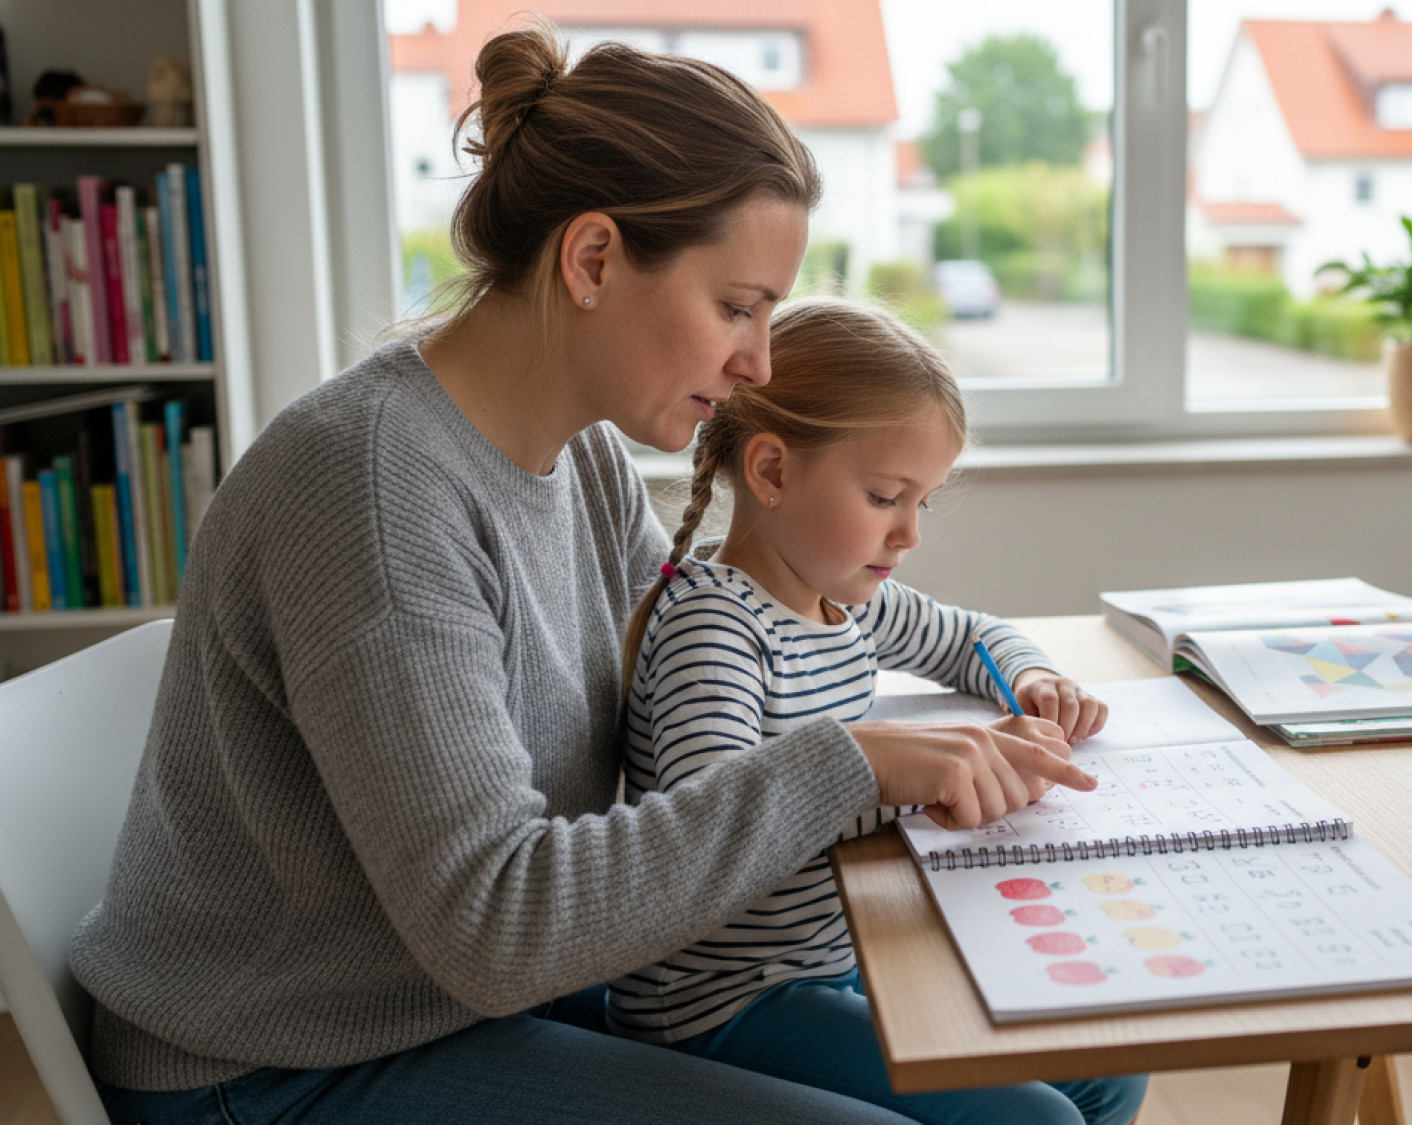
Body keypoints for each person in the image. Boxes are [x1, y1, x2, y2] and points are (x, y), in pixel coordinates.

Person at [71, 23, 1100, 1125]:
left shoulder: (587, 457)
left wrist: (897, 716)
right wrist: (849, 767)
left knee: (1090, 1060)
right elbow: (500, 926)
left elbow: (712, 663)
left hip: (471, 990)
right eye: (737, 307)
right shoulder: (373, 489)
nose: (758, 361)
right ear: (594, 259)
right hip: (281, 1059)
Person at [611, 299, 1144, 1125]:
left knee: (1112, 1076)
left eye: (923, 502)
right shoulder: (714, 627)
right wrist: (902, 773)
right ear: (774, 471)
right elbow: (708, 826)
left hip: (831, 956)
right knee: (1036, 1119)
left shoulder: (843, 600)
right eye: (886, 495)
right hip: (721, 1000)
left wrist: (1032, 678)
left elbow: (973, 634)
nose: (909, 535)